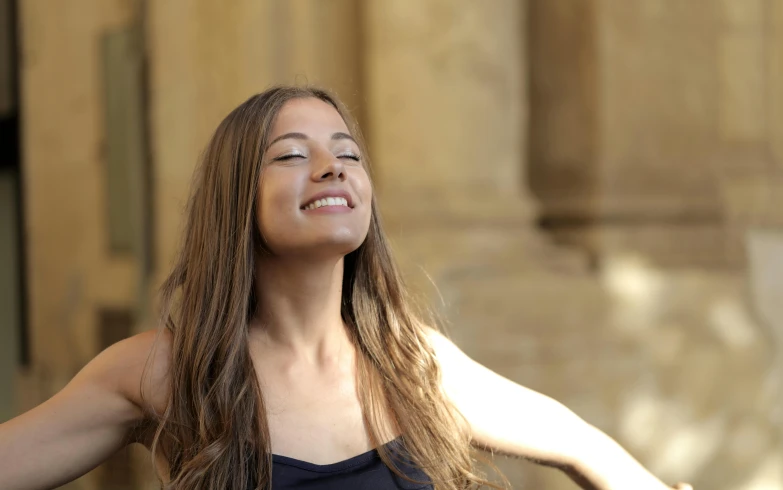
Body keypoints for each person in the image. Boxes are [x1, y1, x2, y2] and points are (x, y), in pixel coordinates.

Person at [0, 86, 693, 490]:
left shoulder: (415, 364)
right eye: (293, 155)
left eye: (348, 153)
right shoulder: (164, 368)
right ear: (236, 198)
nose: (332, 168)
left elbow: (582, 445)